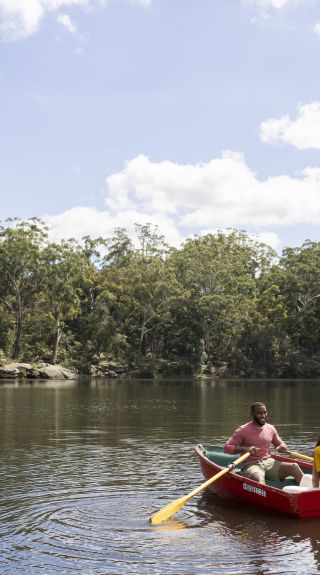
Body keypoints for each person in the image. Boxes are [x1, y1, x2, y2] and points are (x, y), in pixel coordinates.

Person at [224, 402, 303, 485]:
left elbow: (280, 444)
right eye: (259, 413)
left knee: (294, 467)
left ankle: (309, 494)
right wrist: (246, 449)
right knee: (259, 479)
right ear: (252, 414)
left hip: (269, 462)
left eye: (265, 412)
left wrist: (282, 447)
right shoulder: (242, 430)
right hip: (251, 464)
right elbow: (227, 448)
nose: (263, 416)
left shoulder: (270, 428)